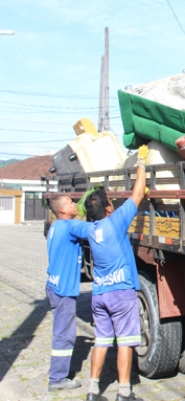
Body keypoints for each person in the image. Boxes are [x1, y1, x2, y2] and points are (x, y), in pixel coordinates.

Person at [83, 145, 148, 401]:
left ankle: (92, 391)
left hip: (99, 295)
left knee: (101, 342)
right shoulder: (117, 221)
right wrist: (141, 161)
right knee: (125, 342)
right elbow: (139, 192)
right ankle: (124, 393)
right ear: (109, 209)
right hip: (121, 293)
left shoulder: (91, 230)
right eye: (111, 202)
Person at [46, 195, 90, 392]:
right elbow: (95, 230)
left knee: (61, 331)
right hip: (63, 289)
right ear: (63, 210)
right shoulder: (70, 226)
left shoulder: (55, 226)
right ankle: (57, 378)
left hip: (54, 285)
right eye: (71, 203)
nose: (75, 203)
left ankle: (58, 375)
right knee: (65, 334)